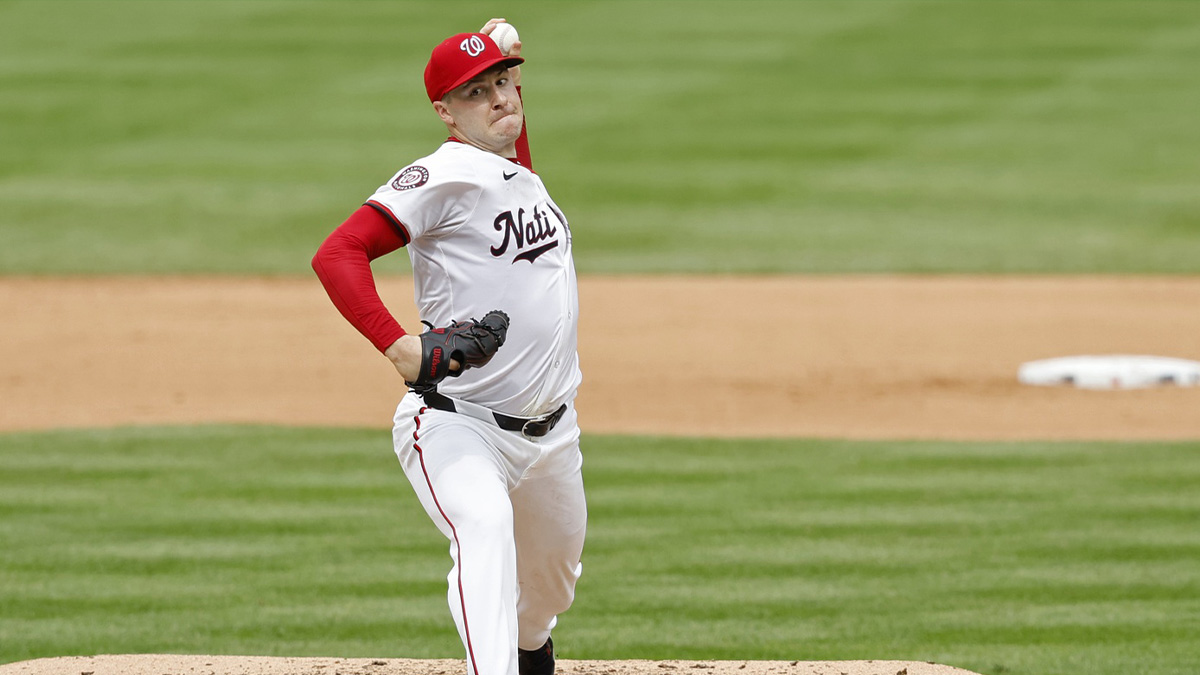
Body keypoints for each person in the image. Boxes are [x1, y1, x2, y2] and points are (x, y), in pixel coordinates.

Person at [311, 18, 586, 675]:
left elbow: (509, 151)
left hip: (553, 435)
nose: (498, 98)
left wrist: (506, 64)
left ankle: (526, 650)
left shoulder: (517, 174)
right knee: (484, 527)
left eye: (503, 83)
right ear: (444, 112)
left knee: (550, 588)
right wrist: (398, 345)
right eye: (475, 92)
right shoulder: (442, 174)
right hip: (459, 426)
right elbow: (338, 252)